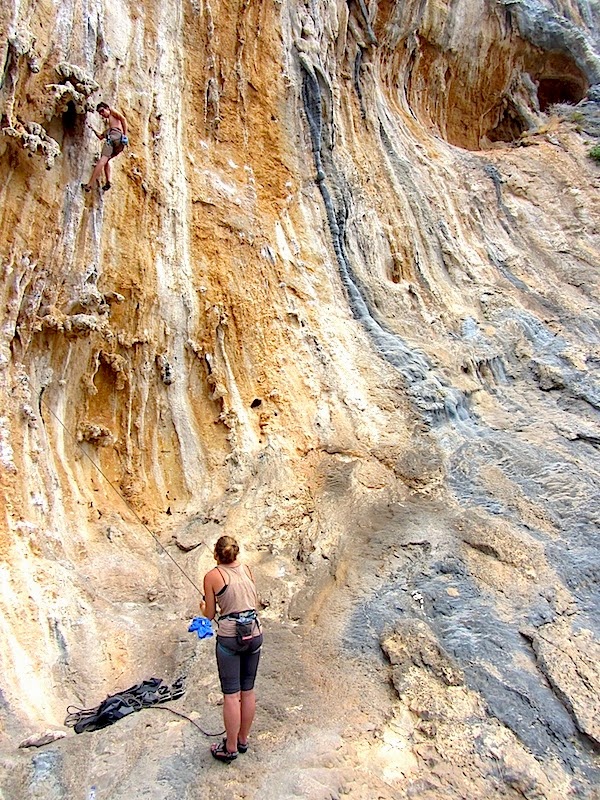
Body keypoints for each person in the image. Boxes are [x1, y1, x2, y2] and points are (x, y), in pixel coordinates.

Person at [200, 535, 263, 763]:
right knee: (248, 691)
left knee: (231, 694)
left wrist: (203, 607)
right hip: (254, 634)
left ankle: (231, 746)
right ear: (236, 553)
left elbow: (209, 615)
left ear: (216, 554)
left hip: (229, 638)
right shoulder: (247, 569)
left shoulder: (212, 576)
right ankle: (243, 739)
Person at [82, 102, 128, 192]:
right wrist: (92, 129)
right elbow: (100, 136)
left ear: (107, 108)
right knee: (107, 161)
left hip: (114, 138)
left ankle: (89, 185)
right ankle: (108, 182)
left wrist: (125, 135)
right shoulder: (110, 128)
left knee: (102, 161)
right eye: (100, 113)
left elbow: (123, 119)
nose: (102, 114)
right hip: (119, 143)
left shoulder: (112, 111)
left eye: (102, 111)